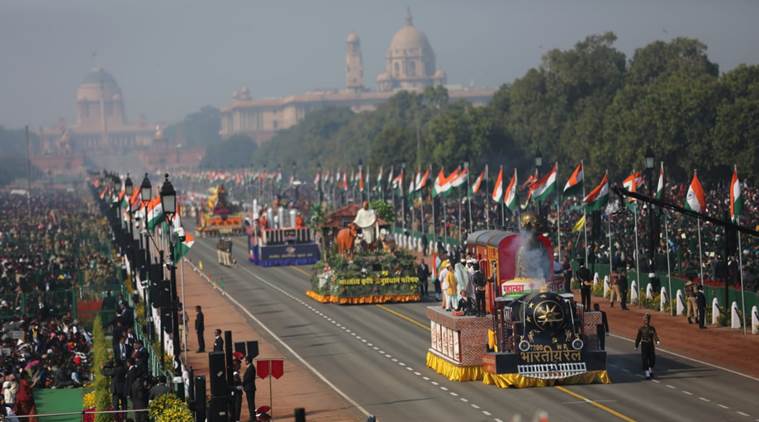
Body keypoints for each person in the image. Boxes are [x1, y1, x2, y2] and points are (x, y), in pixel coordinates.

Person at [634, 314, 661, 379]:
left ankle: (650, 368)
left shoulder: (652, 328)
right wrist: (636, 345)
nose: (647, 321)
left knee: (652, 359)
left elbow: (655, 335)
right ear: (644, 321)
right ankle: (647, 373)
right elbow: (638, 338)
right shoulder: (641, 329)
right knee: (645, 359)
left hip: (651, 345)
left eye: (648, 320)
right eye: (645, 320)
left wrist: (657, 341)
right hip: (644, 345)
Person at [242, 356, 256, 422]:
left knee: (251, 403)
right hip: (249, 388)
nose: (245, 362)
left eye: (245, 360)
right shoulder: (250, 367)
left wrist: (242, 384)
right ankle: (252, 416)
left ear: (247, 361)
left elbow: (248, 379)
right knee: (250, 403)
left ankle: (253, 417)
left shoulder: (251, 368)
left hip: (250, 388)